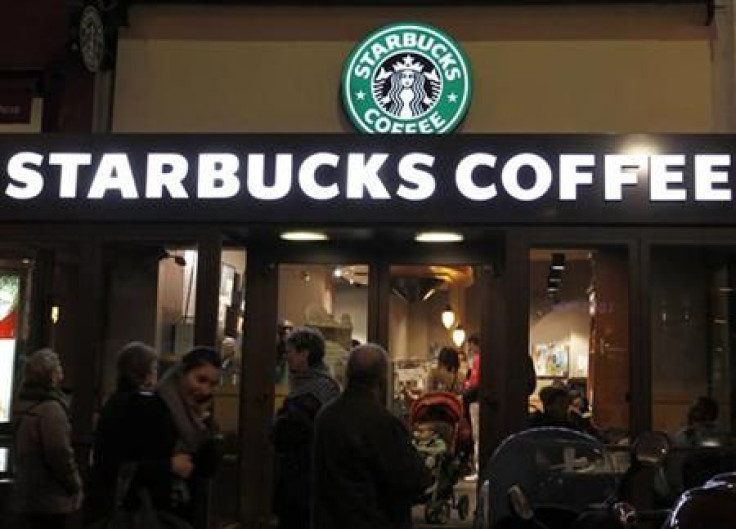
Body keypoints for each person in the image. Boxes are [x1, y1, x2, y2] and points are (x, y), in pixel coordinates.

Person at [312, 343, 432, 529]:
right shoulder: (383, 422)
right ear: (382, 380)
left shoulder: (325, 416)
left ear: (347, 374)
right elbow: (413, 479)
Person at [104, 346, 220, 528]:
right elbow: (123, 467)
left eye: (213, 385)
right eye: (200, 380)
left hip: (180, 517)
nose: (206, 390)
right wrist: (169, 466)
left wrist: (203, 424)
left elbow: (207, 468)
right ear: (182, 375)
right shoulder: (148, 409)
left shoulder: (196, 419)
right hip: (147, 516)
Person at [272, 327, 340, 529]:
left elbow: (287, 433)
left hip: (303, 479)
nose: (287, 357)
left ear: (305, 354)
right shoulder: (324, 385)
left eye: (291, 351)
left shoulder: (310, 392)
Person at [86, 341, 158, 523]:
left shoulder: (114, 400)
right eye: (153, 368)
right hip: (123, 494)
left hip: (104, 489)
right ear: (144, 372)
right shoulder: (138, 404)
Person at [12, 349, 83, 529]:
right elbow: (59, 453)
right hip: (50, 498)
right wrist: (74, 484)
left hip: (26, 492)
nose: (61, 372)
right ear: (51, 375)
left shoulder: (23, 404)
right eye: (58, 367)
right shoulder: (51, 410)